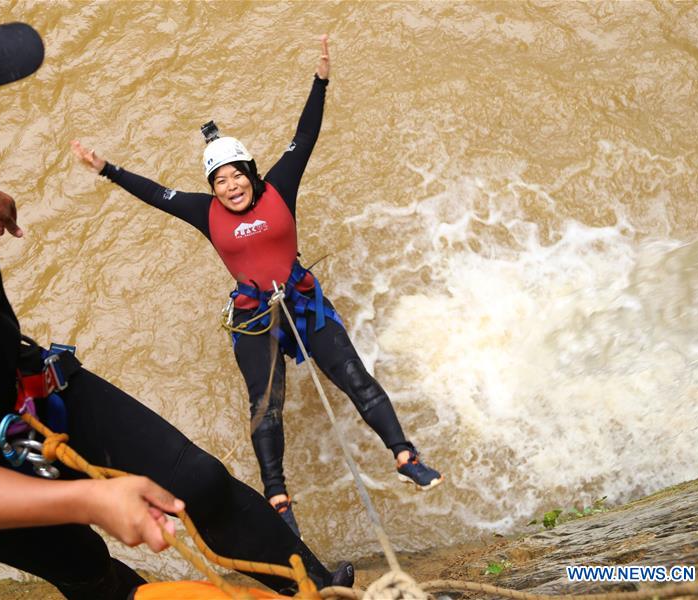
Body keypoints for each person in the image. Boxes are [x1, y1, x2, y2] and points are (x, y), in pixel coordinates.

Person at [0, 2, 351, 598]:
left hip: (32, 390)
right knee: (88, 568)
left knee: (199, 482)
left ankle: (321, 590)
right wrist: (93, 496)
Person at [72, 35, 443, 539]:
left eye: (236, 176)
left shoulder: (279, 187)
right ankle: (278, 497)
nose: (230, 186)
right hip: (253, 314)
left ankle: (405, 455)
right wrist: (107, 170)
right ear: (213, 187)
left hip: (303, 301)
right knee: (265, 407)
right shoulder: (203, 212)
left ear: (250, 171)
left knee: (354, 375)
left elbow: (304, 136)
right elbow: (155, 195)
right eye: (219, 181)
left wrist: (321, 80)